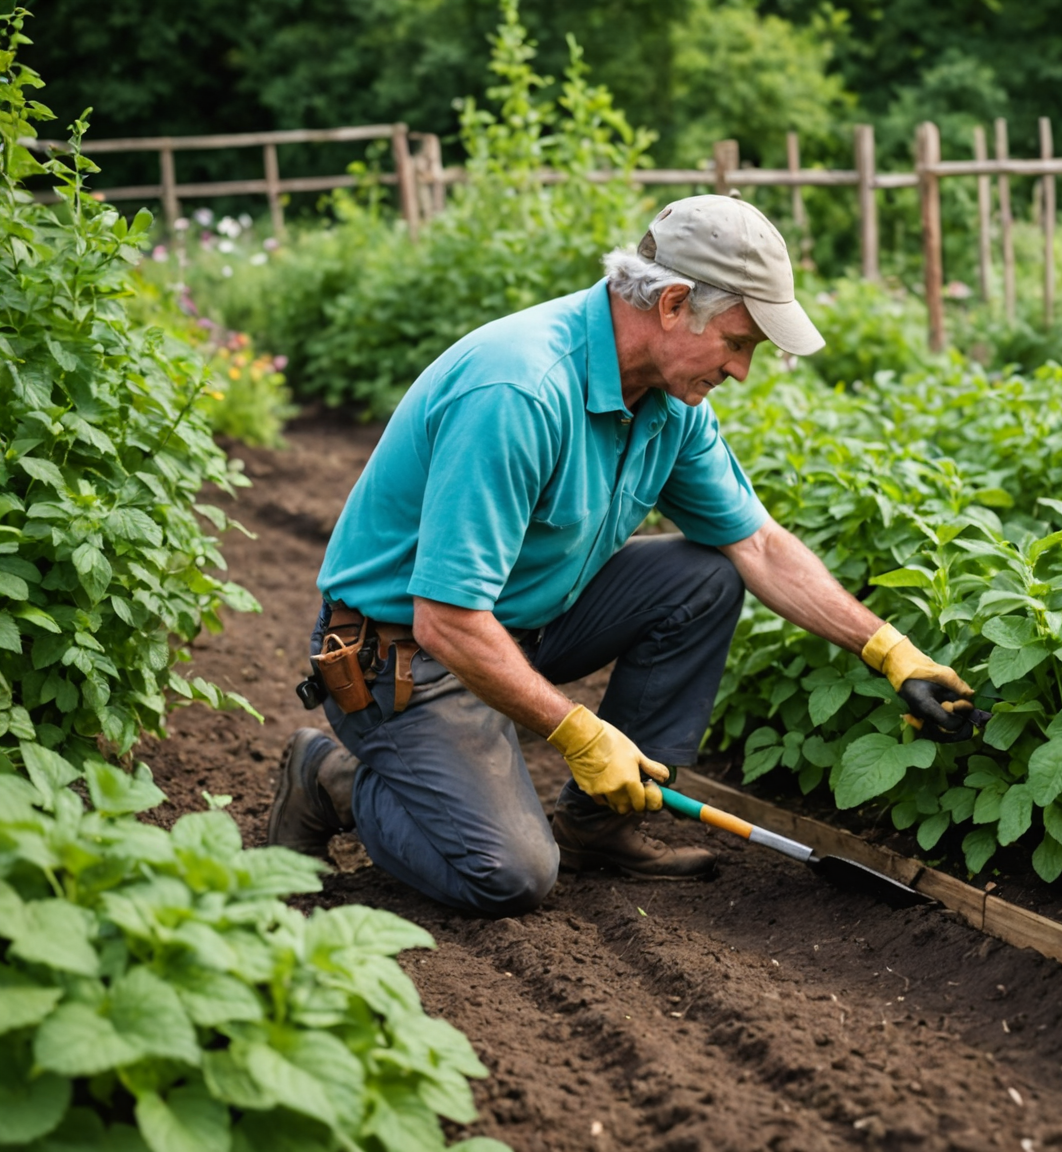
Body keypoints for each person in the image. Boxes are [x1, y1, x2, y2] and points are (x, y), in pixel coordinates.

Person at [267, 195, 977, 917]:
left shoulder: (669, 404)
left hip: (521, 623)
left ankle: (596, 825)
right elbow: (447, 620)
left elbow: (757, 543)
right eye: (738, 343)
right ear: (673, 304)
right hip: (406, 656)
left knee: (703, 576)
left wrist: (891, 653)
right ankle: (329, 777)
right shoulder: (519, 390)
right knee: (509, 875)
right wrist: (577, 732)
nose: (740, 370)